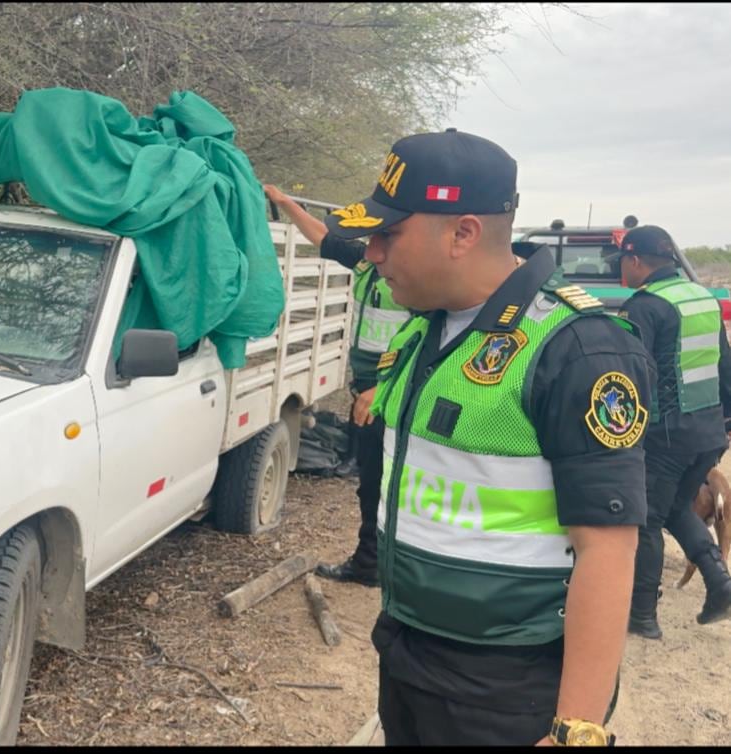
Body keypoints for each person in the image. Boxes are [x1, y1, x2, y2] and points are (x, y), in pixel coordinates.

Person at [328, 128, 653, 745]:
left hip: (506, 687)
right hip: (408, 650)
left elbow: (608, 549)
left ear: (463, 233)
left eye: (387, 234)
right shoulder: (426, 330)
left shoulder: (577, 348)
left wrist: (575, 730)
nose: (372, 253)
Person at [263, 185, 411, 588]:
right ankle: (373, 564)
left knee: (385, 483)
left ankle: (375, 567)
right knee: (371, 480)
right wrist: (286, 203)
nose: (373, 246)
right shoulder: (365, 263)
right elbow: (320, 236)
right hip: (366, 389)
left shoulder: (414, 279)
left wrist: (385, 386)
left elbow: (428, 336)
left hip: (389, 392)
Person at [609, 225, 731, 639]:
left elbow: (629, 373)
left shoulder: (646, 306)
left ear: (637, 261)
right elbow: (724, 367)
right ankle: (721, 584)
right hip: (707, 431)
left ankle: (642, 616)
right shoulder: (702, 298)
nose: (622, 271)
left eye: (623, 263)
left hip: (666, 435)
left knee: (645, 520)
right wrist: (724, 426)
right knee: (675, 509)